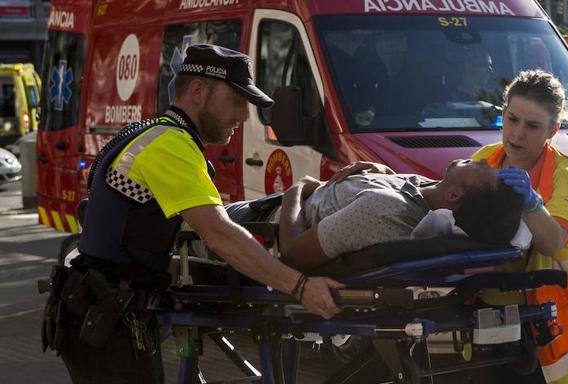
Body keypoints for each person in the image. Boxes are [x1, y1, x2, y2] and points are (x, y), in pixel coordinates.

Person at [48, 44, 342, 384]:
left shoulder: (150, 132)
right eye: (236, 100)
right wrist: (300, 286)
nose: (244, 115)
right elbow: (219, 235)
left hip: (100, 309)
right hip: (106, 319)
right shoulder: (170, 146)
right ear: (199, 91)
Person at [471, 69, 568, 384]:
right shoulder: (484, 161)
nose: (517, 134)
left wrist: (532, 203)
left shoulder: (567, 181)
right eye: (511, 119)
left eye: (532, 126)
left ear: (553, 130)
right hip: (493, 313)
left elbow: (552, 242)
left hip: (556, 322)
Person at [278, 159, 524, 272]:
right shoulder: (426, 192)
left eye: (482, 169)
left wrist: (296, 189)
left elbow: (291, 256)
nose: (481, 159)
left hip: (268, 224)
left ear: (453, 196)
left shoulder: (384, 210)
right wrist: (383, 173)